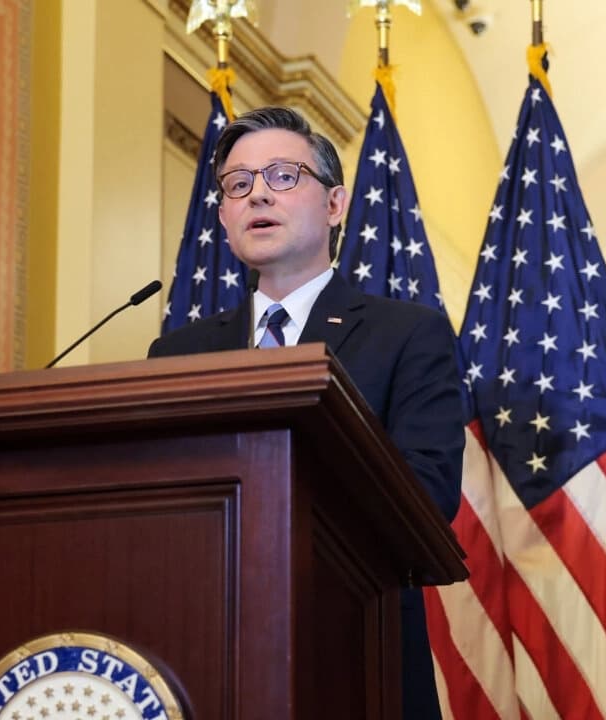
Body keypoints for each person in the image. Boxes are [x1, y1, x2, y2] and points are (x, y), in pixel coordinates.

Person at [149, 106, 464, 720]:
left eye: (284, 176)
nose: (258, 193)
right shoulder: (179, 352)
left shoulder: (406, 335)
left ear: (336, 205)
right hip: (205, 647)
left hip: (355, 639)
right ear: (223, 216)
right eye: (238, 184)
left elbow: (428, 492)